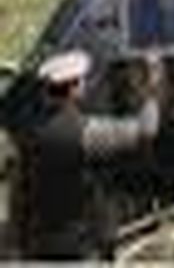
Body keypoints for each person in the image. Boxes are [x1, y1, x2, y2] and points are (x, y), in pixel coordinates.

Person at [11, 49, 163, 260]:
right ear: (74, 88)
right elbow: (146, 130)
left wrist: (19, 241)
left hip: (39, 243)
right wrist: (152, 88)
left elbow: (19, 191)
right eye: (82, 81)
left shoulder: (30, 128)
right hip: (79, 244)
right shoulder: (83, 134)